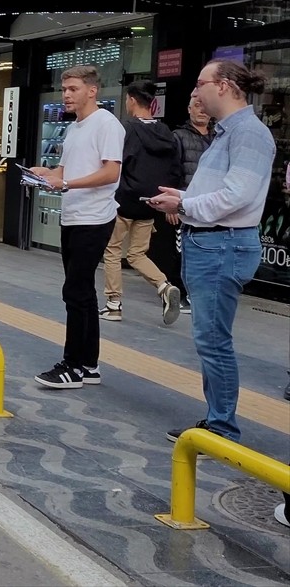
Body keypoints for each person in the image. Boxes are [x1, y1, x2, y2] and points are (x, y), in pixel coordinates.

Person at [149, 59, 274, 443]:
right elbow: (223, 192)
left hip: (222, 245)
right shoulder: (228, 132)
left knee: (213, 340)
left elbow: (237, 196)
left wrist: (184, 205)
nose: (195, 92)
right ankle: (218, 421)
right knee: (209, 338)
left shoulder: (248, 134)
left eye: (200, 83)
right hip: (213, 242)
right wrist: (182, 197)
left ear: (222, 86)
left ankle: (221, 427)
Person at [30, 65, 124, 389]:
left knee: (74, 291)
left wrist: (67, 183)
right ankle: (89, 365)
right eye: (64, 89)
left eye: (73, 89)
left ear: (92, 90)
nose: (66, 95)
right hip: (72, 215)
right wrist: (46, 173)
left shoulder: (106, 124)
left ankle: (72, 366)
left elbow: (111, 172)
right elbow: (63, 170)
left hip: (94, 218)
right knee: (83, 292)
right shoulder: (74, 128)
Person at [99, 80, 183, 325]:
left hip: (124, 201)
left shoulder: (126, 129)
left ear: (132, 100)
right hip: (151, 203)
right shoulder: (166, 132)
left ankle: (113, 304)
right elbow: (175, 169)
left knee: (112, 250)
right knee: (137, 254)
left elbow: (116, 164)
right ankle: (164, 286)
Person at [166, 98, 216, 314]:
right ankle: (181, 295)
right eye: (197, 106)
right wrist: (173, 204)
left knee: (206, 250)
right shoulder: (178, 136)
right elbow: (171, 170)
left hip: (211, 204)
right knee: (182, 251)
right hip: (184, 203)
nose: (202, 111)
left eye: (205, 107)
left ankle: (199, 295)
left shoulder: (218, 137)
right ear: (188, 109)